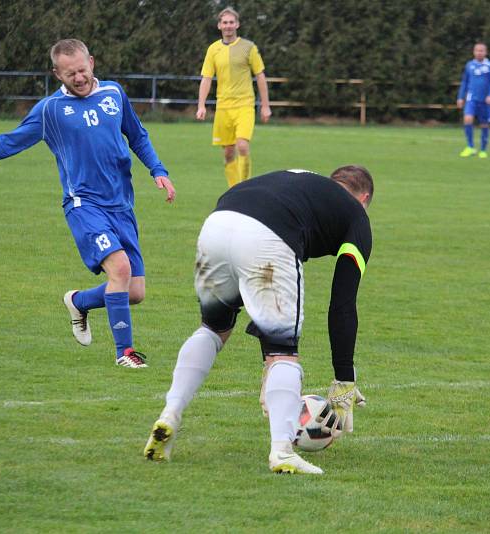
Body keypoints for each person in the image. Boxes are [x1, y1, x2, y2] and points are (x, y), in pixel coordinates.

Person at [0, 39, 176, 368]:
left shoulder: (114, 94)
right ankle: (125, 353)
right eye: (69, 74)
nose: (78, 78)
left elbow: (137, 135)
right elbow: (12, 141)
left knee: (133, 291)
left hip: (121, 205)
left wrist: (158, 170)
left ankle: (78, 301)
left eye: (81, 70)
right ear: (57, 74)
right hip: (84, 205)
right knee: (120, 269)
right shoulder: (51, 110)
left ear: (91, 63)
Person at [143, 166, 373, 475]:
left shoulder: (302, 182)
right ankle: (282, 451)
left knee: (213, 329)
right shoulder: (357, 216)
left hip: (218, 223)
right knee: (284, 352)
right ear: (365, 198)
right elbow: (342, 304)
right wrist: (344, 380)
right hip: (267, 235)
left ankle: (169, 415)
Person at [196, 7, 272, 188]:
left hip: (245, 105)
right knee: (229, 153)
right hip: (223, 107)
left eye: (231, 22)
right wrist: (201, 105)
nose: (228, 26)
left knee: (242, 146)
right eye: (225, 22)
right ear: (219, 26)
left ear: (237, 24)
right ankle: (234, 189)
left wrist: (265, 106)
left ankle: (245, 187)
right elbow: (206, 79)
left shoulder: (249, 47)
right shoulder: (213, 49)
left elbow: (260, 76)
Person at [456, 42, 490, 159]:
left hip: (485, 100)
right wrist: (460, 97)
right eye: (477, 50)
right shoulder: (469, 65)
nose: (479, 53)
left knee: (484, 124)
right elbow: (464, 82)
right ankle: (470, 147)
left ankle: (483, 149)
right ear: (474, 52)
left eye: (481, 51)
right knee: (467, 119)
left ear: (485, 52)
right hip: (471, 99)